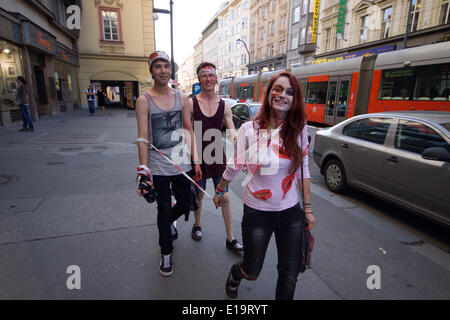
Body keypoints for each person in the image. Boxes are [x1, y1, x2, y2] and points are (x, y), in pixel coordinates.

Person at [213, 71, 315, 300]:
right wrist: (220, 189)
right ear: (269, 94)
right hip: (257, 212)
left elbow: (303, 169)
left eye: (290, 92)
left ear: (295, 99)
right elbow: (235, 165)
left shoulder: (299, 128)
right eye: (277, 89)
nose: (283, 95)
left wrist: (307, 209)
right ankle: (236, 274)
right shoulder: (249, 129)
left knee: (289, 274)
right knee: (252, 270)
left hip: (290, 213)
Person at [135, 51, 202, 277]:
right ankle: (166, 252)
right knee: (163, 210)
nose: (163, 70)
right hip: (158, 166)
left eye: (166, 66)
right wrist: (144, 172)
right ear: (152, 71)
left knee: (186, 204)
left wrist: (196, 159)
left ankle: (168, 223)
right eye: (158, 67)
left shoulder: (181, 97)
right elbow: (143, 138)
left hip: (181, 163)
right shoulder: (144, 101)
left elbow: (189, 129)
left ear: (170, 70)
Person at [186, 62, 243, 253]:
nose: (208, 79)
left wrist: (239, 146)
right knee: (199, 194)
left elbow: (232, 130)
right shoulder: (191, 103)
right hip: (198, 156)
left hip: (218, 155)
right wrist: (195, 160)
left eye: (211, 75)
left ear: (216, 78)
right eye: (204, 76)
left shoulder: (224, 105)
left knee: (225, 197)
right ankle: (198, 225)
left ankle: (230, 238)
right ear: (199, 79)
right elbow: (189, 133)